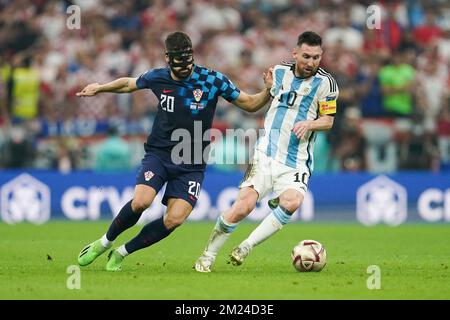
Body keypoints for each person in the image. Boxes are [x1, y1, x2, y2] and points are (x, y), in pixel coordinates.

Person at [75, 31, 273, 271]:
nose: (184, 70)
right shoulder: (157, 77)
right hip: (159, 153)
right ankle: (104, 243)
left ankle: (122, 252)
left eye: (187, 64)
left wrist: (267, 92)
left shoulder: (212, 80)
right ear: (167, 59)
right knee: (141, 202)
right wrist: (101, 88)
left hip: (192, 161)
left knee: (175, 218)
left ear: (192, 57)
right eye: (179, 66)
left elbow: (250, 104)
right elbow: (129, 83)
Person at [194, 31, 339, 272]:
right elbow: (262, 101)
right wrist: (268, 89)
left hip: (297, 160)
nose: (311, 62)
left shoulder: (326, 84)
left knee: (292, 202)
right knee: (243, 207)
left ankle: (246, 247)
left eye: (316, 57)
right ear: (295, 53)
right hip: (265, 153)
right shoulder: (279, 72)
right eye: (306, 56)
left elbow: (328, 120)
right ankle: (207, 256)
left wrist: (310, 123)